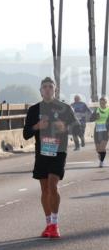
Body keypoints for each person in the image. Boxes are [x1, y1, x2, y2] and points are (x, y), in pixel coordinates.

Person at [23, 78, 79, 238]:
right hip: (41, 152)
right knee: (45, 189)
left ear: (55, 90)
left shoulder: (65, 108)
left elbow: (78, 128)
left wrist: (66, 126)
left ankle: (55, 224)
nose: (47, 89)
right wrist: (37, 126)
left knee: (53, 185)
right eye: (44, 87)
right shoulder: (34, 109)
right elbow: (26, 134)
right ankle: (48, 224)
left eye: (50, 87)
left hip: (58, 152)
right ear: (40, 91)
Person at [93, 96, 109, 167]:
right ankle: (100, 155)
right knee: (98, 149)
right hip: (97, 130)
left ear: (106, 103)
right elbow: (91, 118)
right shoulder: (96, 110)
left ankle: (101, 162)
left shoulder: (108, 110)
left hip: (105, 131)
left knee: (102, 148)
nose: (102, 104)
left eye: (104, 103)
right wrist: (95, 117)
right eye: (101, 103)